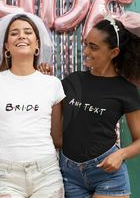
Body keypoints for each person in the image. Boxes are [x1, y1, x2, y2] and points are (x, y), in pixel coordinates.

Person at [39, 14, 140, 198]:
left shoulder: (126, 90)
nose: (85, 51)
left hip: (107, 173)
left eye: (93, 47)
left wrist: (121, 154)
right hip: (69, 174)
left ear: (114, 52)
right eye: (86, 44)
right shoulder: (72, 81)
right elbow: (54, 130)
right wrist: (47, 83)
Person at [0, 12, 65, 197]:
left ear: (37, 45)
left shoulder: (53, 84)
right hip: (6, 175)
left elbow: (57, 138)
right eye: (14, 33)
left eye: (28, 32)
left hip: (46, 172)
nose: (22, 36)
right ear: (6, 47)